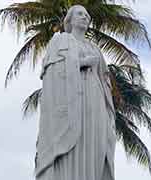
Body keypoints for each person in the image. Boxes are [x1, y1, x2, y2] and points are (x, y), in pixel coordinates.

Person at [35, 5, 116, 180]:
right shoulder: (60, 41)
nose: (85, 17)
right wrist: (81, 63)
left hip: (95, 101)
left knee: (95, 145)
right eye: (80, 14)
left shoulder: (95, 49)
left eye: (87, 15)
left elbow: (105, 80)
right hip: (70, 103)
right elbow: (51, 71)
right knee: (72, 150)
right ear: (69, 20)